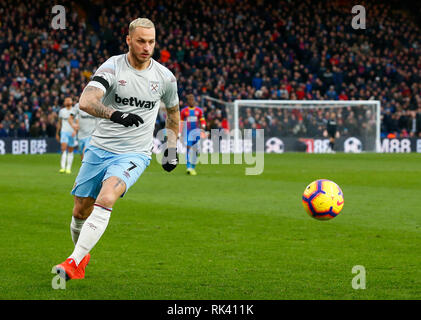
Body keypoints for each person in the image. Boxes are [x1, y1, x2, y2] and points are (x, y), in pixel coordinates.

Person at [53, 18, 180, 280]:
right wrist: (115, 115)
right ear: (129, 40)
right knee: (80, 210)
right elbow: (86, 101)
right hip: (100, 148)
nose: (147, 47)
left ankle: (73, 263)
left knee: (107, 196)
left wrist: (171, 146)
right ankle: (81, 256)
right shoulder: (113, 67)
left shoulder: (165, 77)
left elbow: (173, 112)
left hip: (135, 153)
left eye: (152, 41)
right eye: (141, 41)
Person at [180, 94, 206, 175]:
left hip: (197, 133)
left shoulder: (199, 110)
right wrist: (180, 133)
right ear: (188, 102)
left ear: (194, 101)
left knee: (196, 150)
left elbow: (202, 120)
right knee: (188, 148)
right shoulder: (184, 111)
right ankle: (188, 167)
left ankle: (193, 167)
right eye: (190, 100)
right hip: (188, 133)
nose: (191, 101)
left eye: (192, 100)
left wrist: (203, 127)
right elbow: (181, 122)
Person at [56, 97, 78, 173]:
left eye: (69, 100)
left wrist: (75, 131)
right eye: (66, 100)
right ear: (64, 102)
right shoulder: (62, 111)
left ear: (72, 102)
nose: (68, 101)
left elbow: (77, 121)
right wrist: (57, 133)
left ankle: (68, 168)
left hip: (72, 132)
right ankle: (62, 168)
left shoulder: (74, 111)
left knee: (71, 150)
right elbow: (59, 122)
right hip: (64, 132)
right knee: (63, 148)